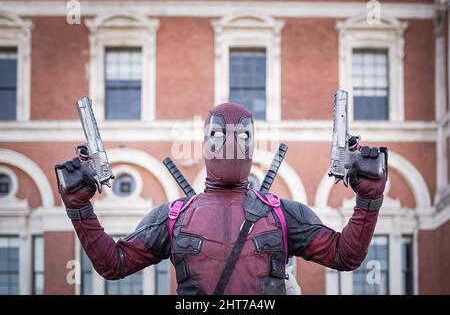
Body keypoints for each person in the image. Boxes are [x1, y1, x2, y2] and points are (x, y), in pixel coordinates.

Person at [55, 102, 387, 295]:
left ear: (252, 141)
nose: (230, 143)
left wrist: (368, 200)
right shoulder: (173, 218)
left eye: (242, 136)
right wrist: (79, 208)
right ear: (205, 142)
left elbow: (345, 256)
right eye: (218, 135)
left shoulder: (283, 215)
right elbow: (114, 264)